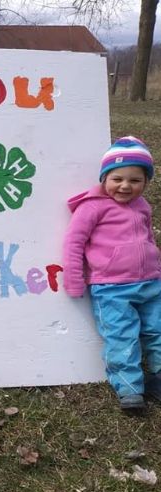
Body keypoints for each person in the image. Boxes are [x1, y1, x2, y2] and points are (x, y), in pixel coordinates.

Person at [63, 136, 161, 411]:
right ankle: (129, 389)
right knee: (122, 337)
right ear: (105, 178)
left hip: (151, 283)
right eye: (117, 178)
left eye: (135, 180)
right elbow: (74, 243)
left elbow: (147, 239)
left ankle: (158, 376)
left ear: (145, 182)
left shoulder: (142, 206)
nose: (126, 186)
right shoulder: (92, 207)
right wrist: (74, 279)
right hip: (112, 288)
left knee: (157, 330)